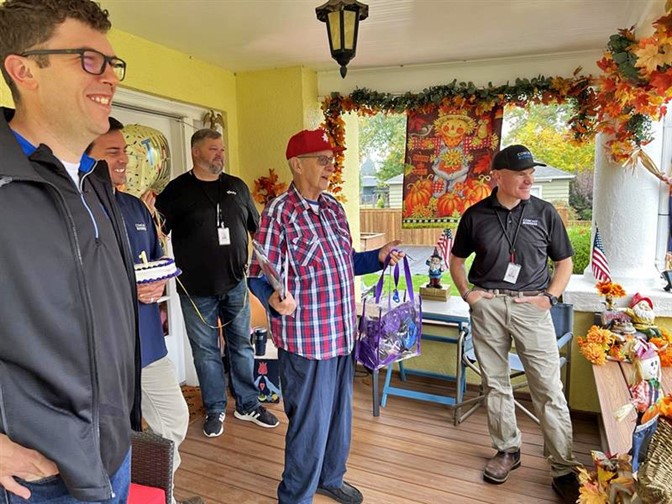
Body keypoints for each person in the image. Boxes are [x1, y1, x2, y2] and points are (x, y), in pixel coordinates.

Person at [0, 1, 141, 502]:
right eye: (88, 59)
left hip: (114, 454)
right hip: (37, 477)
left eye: (112, 64)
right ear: (23, 70)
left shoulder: (96, 182)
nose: (110, 78)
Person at [248, 128, 403, 504]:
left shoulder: (333, 207)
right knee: (309, 424)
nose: (330, 167)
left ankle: (330, 477)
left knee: (338, 417)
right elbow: (257, 274)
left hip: (341, 334)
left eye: (331, 160)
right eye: (322, 160)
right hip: (305, 339)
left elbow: (345, 261)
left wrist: (378, 256)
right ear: (297, 165)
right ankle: (295, 495)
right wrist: (273, 299)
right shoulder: (279, 212)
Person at [448, 144, 582, 503]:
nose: (529, 179)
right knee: (495, 384)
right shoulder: (475, 216)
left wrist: (549, 298)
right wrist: (467, 294)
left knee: (548, 389)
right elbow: (457, 260)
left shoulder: (544, 212)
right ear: (497, 177)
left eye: (531, 173)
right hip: (488, 306)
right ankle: (508, 449)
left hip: (532, 308)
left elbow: (564, 263)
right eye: (521, 173)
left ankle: (563, 466)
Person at [88, 118, 202, 504]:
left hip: (148, 345)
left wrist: (158, 284)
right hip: (104, 354)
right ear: (87, 157)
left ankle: (154, 492)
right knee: (112, 437)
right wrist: (128, 288)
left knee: (174, 420)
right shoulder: (78, 210)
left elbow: (155, 261)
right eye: (113, 152)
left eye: (125, 151)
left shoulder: (135, 206)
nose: (124, 160)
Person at [155, 128, 279, 438]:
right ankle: (214, 408)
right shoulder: (177, 190)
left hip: (235, 284)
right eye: (213, 149)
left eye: (221, 149)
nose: (219, 154)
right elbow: (158, 231)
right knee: (206, 352)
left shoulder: (236, 187)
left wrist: (265, 270)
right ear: (196, 152)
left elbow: (257, 231)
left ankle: (248, 404)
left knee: (241, 346)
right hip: (194, 289)